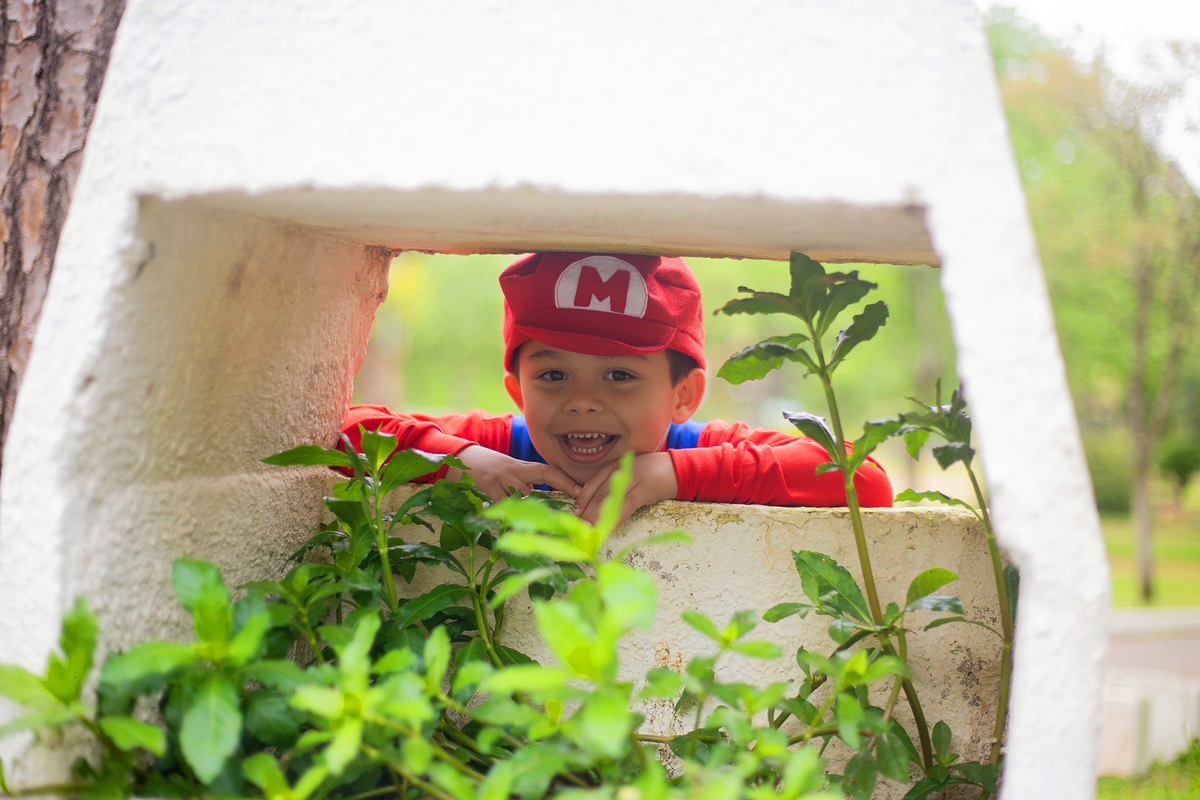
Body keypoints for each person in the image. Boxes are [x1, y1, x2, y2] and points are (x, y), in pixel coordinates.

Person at [342, 252, 892, 527]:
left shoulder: (695, 449)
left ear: (684, 394)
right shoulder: (502, 449)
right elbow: (341, 427)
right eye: (553, 376)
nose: (582, 400)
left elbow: (863, 478)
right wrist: (464, 460)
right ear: (517, 390)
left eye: (620, 375)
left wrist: (678, 474)